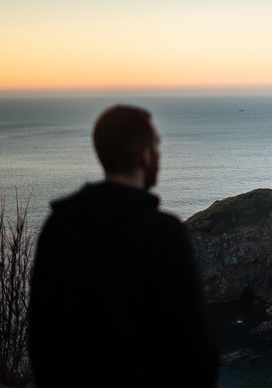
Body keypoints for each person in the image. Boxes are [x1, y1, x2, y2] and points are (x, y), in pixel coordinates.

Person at [29, 105, 218, 387]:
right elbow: (196, 350)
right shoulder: (163, 234)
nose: (159, 155)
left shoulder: (57, 228)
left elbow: (39, 336)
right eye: (156, 146)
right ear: (144, 156)